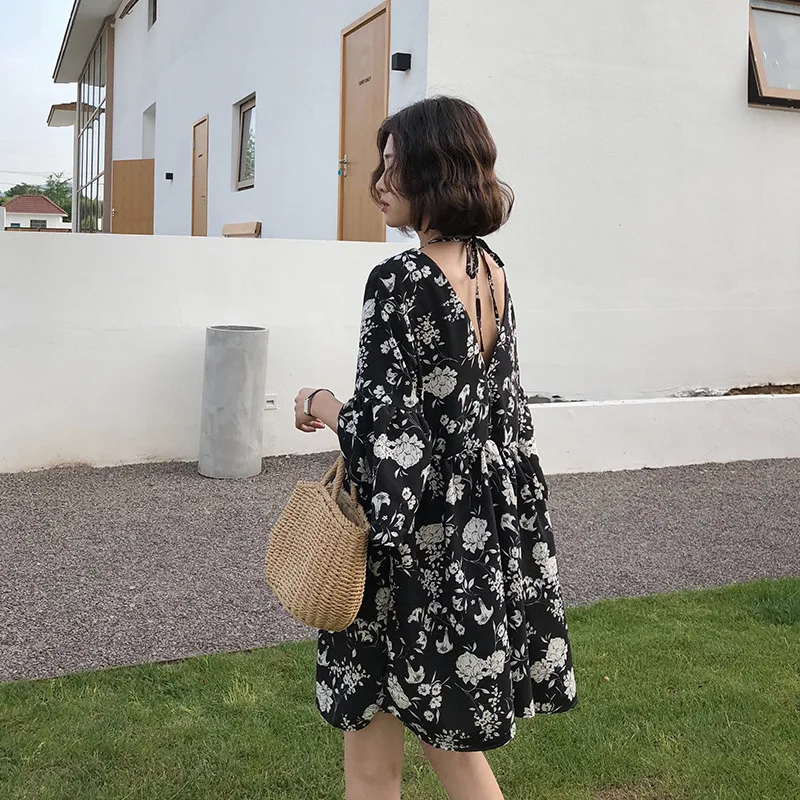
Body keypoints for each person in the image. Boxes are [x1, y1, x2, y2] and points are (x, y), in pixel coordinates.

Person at [293, 96, 577, 800]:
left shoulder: (398, 282)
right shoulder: (491, 270)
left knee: (373, 751)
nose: (379, 182)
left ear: (433, 172)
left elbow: (388, 443)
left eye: (394, 166)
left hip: (411, 544)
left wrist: (320, 403)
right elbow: (494, 420)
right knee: (450, 744)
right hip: (477, 538)